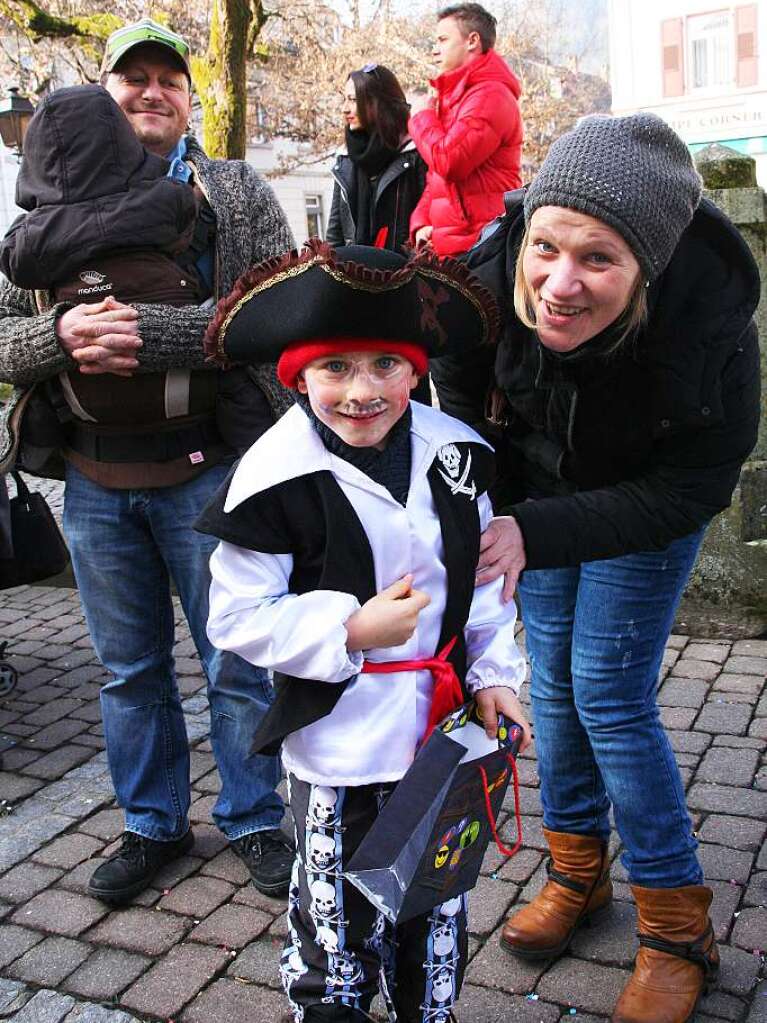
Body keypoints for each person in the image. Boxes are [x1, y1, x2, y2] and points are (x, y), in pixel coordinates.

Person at [429, 113, 761, 1023]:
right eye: (546, 247)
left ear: (647, 267)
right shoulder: (489, 280)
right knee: (557, 685)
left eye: (597, 261)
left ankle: (675, 923)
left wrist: (538, 532)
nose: (558, 284)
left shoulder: (710, 323)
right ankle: (578, 875)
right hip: (535, 500)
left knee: (607, 692)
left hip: (641, 507)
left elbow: (692, 483)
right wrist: (496, 511)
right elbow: (463, 408)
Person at [0, 17, 296, 905]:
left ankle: (252, 817)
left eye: (169, 77)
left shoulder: (233, 192)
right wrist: (59, 334)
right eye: (134, 79)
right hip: (95, 480)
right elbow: (2, 339)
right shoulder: (46, 214)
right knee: (129, 670)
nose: (152, 91)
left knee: (236, 658)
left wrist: (150, 333)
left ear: (189, 97)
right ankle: (152, 824)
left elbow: (281, 316)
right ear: (107, 94)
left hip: (213, 470)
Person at [196, 240, 530, 1022]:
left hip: (439, 736)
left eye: (385, 364)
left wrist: (494, 675)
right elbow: (235, 615)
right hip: (339, 747)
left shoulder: (457, 456)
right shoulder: (272, 480)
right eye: (335, 368)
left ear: (415, 371)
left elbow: (481, 583)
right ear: (298, 376)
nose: (361, 390)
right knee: (337, 923)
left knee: (432, 905)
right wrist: (350, 627)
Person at [408, 2, 522, 257]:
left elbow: (450, 161)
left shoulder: (490, 95)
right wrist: (422, 221)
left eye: (442, 40)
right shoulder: (459, 98)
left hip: (483, 248)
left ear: (472, 41)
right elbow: (437, 176)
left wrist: (421, 117)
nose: (434, 50)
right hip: (456, 248)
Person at [327, 63, 427, 253]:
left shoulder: (415, 155)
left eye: (353, 100)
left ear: (378, 104)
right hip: (355, 274)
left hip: (403, 275)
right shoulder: (345, 160)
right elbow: (334, 236)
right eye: (344, 100)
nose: (345, 109)